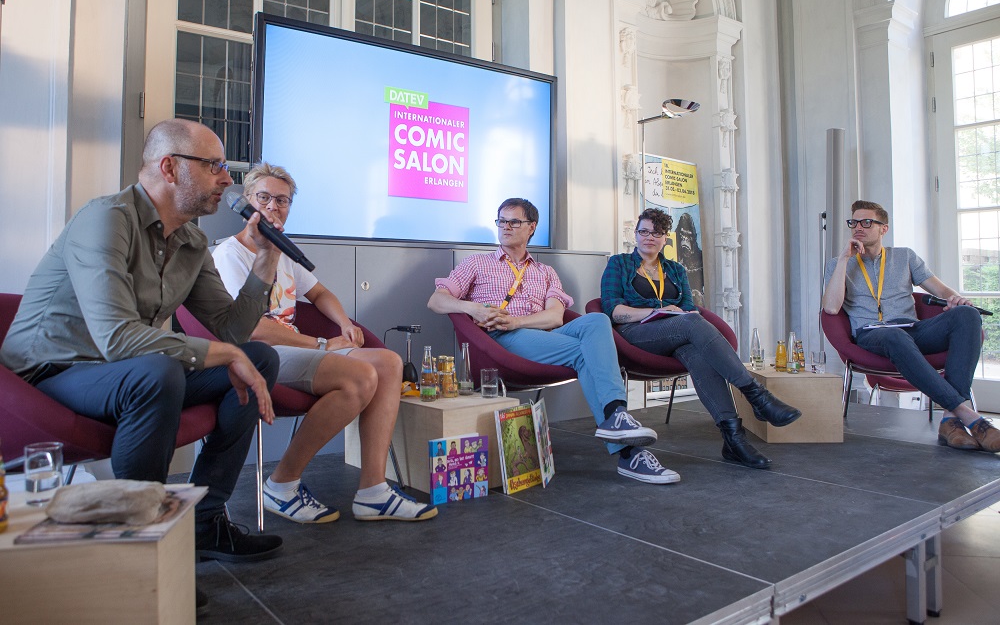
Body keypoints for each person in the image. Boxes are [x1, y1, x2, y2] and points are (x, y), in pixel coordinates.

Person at [0, 118, 284, 564]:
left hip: (130, 371)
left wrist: (265, 261)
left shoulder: (190, 240)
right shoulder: (105, 219)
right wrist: (225, 354)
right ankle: (142, 549)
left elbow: (232, 330)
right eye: (214, 166)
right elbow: (116, 338)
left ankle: (203, 524)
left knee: (259, 358)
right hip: (52, 374)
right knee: (157, 371)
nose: (227, 179)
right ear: (170, 168)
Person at [213, 162, 437, 523]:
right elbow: (251, 328)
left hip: (296, 347)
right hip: (258, 355)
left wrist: (344, 324)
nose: (273, 206)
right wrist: (319, 343)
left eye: (282, 200)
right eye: (264, 198)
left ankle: (373, 491)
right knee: (359, 377)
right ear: (248, 203)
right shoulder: (229, 254)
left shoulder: (282, 250)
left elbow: (319, 293)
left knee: (389, 363)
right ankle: (282, 484)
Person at [428, 198, 677, 484]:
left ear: (531, 227)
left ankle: (617, 421)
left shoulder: (545, 272)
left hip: (538, 334)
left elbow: (556, 316)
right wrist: (473, 308)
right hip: (501, 341)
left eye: (514, 222)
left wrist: (517, 320)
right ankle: (626, 446)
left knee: (597, 321)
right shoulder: (477, 263)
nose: (505, 227)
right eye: (501, 221)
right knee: (585, 354)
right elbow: (436, 300)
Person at [601, 208, 801, 469]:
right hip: (637, 334)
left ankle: (734, 441)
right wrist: (656, 311)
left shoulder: (675, 269)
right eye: (643, 231)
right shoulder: (619, 263)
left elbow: (688, 307)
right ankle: (756, 396)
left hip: (677, 333)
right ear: (636, 235)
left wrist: (678, 315)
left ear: (665, 239)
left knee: (697, 352)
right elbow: (613, 310)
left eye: (656, 233)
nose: (649, 237)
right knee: (692, 323)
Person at [822, 200, 1000, 452]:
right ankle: (970, 417)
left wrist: (957, 300)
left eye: (866, 222)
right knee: (894, 336)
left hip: (912, 330)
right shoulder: (839, 263)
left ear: (883, 228)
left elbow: (940, 289)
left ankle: (950, 420)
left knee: (967, 315)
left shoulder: (904, 256)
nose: (858, 228)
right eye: (854, 223)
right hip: (872, 334)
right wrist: (843, 260)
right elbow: (830, 308)